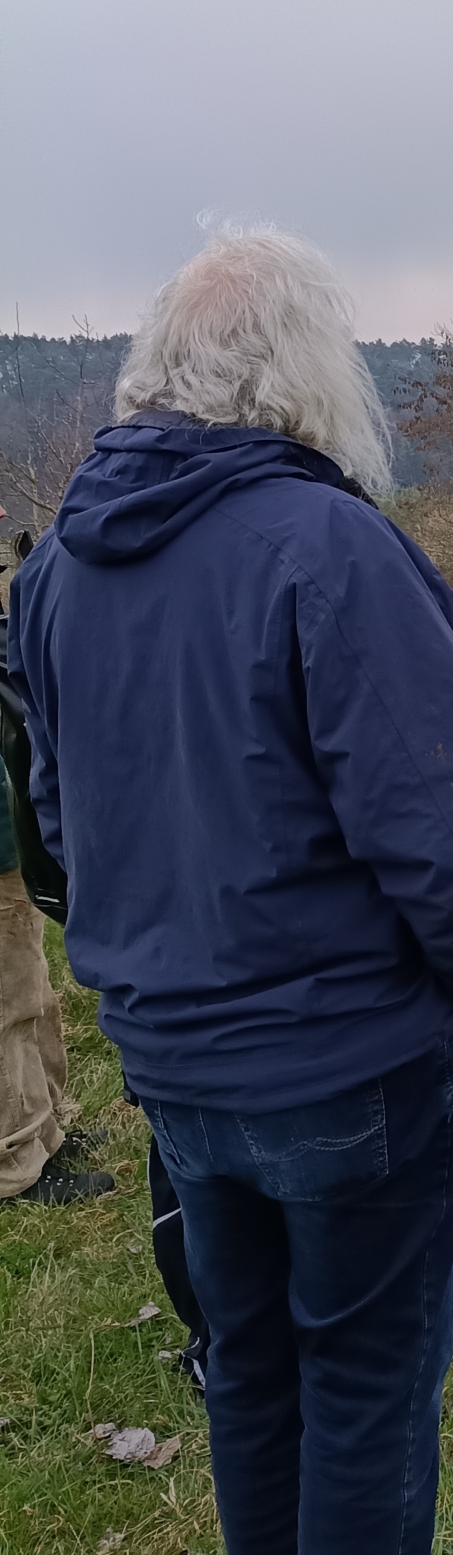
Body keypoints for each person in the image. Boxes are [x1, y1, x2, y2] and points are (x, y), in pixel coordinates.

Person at [8, 229, 453, 1555]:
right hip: (346, 1062)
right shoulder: (325, 547)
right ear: (311, 376)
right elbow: (447, 845)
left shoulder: (55, 574)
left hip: (176, 1061)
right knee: (364, 1391)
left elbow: (51, 827)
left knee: (254, 1382)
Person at [1, 512, 114, 1206]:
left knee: (35, 988)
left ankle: (49, 1125)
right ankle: (17, 1162)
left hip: (12, 833)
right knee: (8, 999)